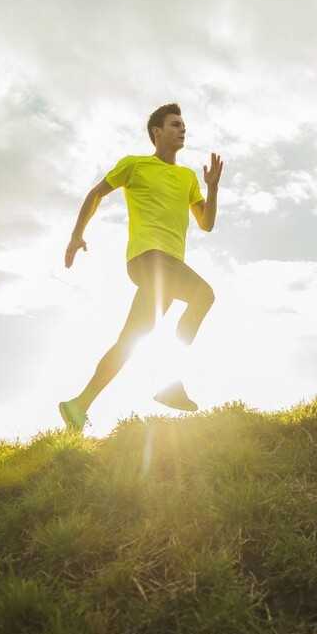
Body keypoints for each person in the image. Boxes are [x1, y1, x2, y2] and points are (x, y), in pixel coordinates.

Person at [58, 103, 223, 433]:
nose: (182, 129)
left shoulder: (187, 177)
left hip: (170, 266)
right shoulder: (134, 165)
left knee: (131, 340)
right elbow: (96, 194)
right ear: (156, 132)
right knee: (203, 295)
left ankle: (78, 405)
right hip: (148, 259)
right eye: (175, 124)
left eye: (183, 125)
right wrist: (77, 235)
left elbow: (206, 223)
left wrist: (213, 186)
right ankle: (170, 382)